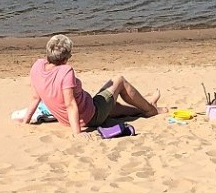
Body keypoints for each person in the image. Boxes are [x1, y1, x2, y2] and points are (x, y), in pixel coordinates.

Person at [23, 34, 158, 133]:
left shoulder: (37, 66)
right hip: (90, 116)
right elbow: (70, 104)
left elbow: (36, 98)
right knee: (119, 80)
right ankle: (151, 110)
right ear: (65, 58)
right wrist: (77, 134)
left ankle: (145, 106)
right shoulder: (65, 71)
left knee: (116, 108)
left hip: (66, 119)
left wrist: (25, 121)